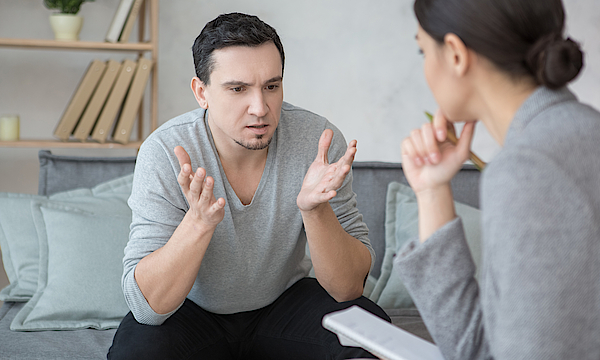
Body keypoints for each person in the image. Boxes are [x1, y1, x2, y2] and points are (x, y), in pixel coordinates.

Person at [107, 12, 389, 360]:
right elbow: (149, 309)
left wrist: (314, 210)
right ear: (202, 92)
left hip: (284, 304)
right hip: (192, 310)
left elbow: (348, 288)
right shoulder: (165, 151)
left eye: (272, 86)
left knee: (374, 335)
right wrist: (197, 224)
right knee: (137, 352)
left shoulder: (318, 142)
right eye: (238, 89)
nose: (261, 108)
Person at [395, 0, 600, 359]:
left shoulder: (528, 168)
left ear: (456, 55)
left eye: (422, 50)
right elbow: (482, 345)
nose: (424, 66)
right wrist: (431, 191)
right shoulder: (583, 131)